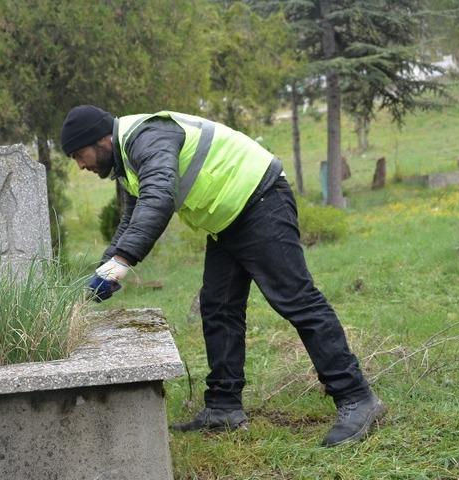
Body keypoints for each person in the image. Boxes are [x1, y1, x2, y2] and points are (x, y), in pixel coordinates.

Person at [60, 105, 384, 447]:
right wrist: (105, 270)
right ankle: (223, 407)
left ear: (102, 140)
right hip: (228, 219)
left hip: (260, 200)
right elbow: (132, 218)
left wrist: (123, 260)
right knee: (218, 308)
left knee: (296, 300)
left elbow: (158, 197)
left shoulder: (148, 137)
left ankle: (356, 397)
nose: (81, 165)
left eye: (80, 155)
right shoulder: (129, 159)